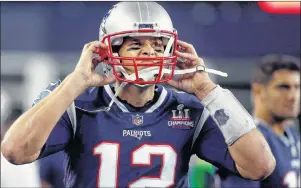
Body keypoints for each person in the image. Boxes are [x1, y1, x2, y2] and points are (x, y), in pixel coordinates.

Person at [1, 2, 275, 187]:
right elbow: (15, 151)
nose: (149, 53)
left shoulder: (191, 109)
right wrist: (74, 83)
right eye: (135, 45)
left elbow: (260, 166)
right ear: (111, 51)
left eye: (157, 45)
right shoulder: (78, 102)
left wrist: (208, 91)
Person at [215, 54, 300, 188]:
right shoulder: (244, 141)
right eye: (284, 87)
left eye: (297, 87)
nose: (293, 96)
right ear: (258, 90)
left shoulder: (291, 134)